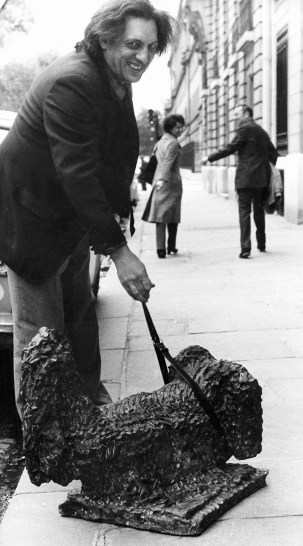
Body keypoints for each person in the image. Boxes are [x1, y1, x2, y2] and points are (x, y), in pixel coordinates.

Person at [0, 0, 177, 417]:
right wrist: (120, 252)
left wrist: (116, 214)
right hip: (31, 223)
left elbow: (112, 155)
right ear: (105, 39)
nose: (144, 57)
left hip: (70, 220)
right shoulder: (74, 81)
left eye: (151, 48)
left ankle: (94, 414)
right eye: (134, 44)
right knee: (41, 339)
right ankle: (48, 444)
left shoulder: (113, 78)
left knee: (80, 317)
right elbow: (76, 173)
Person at [202, 104, 278, 258]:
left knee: (244, 212)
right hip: (261, 179)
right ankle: (261, 243)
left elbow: (230, 148)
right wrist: (263, 168)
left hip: (245, 178)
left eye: (237, 114)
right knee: (258, 211)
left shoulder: (244, 129)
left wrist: (209, 158)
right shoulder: (262, 132)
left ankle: (245, 248)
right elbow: (273, 154)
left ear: (246, 114)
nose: (235, 117)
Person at [142, 114, 185, 258]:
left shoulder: (160, 142)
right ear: (170, 128)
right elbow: (168, 162)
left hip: (158, 182)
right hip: (170, 183)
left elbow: (155, 162)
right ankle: (171, 246)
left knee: (160, 216)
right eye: (178, 127)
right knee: (172, 215)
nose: (181, 130)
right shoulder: (173, 143)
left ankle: (161, 248)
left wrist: (158, 181)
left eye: (181, 127)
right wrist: (163, 179)